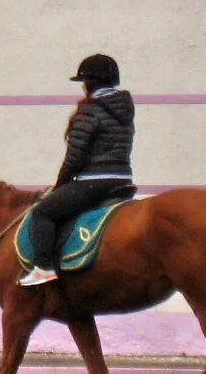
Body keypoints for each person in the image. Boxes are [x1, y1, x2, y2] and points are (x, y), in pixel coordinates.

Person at [18, 54, 135, 287]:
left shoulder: (89, 110)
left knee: (43, 212)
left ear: (91, 82)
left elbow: (74, 158)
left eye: (83, 81)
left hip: (94, 180)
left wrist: (60, 186)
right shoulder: (125, 109)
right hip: (122, 179)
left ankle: (44, 268)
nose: (82, 87)